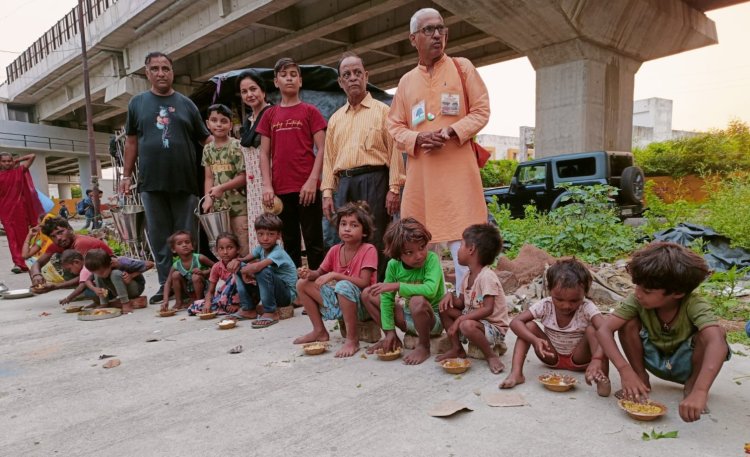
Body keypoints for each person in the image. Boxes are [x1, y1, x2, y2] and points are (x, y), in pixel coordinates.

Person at [386, 8, 490, 292]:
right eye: (428, 30)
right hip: (422, 178)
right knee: (417, 243)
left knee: (464, 241)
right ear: (413, 39)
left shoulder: (462, 67)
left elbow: (481, 111)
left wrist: (451, 131)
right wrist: (417, 140)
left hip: (458, 174)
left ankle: (468, 308)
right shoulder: (407, 82)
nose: (436, 35)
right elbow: (394, 126)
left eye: (440, 29)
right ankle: (425, 313)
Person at [596, 242, 730, 422]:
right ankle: (640, 379)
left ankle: (691, 388)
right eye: (637, 286)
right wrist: (625, 371)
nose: (637, 294)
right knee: (627, 323)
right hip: (654, 357)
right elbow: (604, 330)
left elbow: (717, 342)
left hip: (685, 364)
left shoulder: (694, 304)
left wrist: (701, 391)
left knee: (715, 333)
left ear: (677, 293)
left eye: (647, 291)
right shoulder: (636, 300)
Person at [120, 51, 212, 305]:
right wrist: (126, 176)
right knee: (161, 239)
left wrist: (231, 147)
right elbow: (131, 141)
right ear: (147, 73)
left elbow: (206, 139)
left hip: (185, 181)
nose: (161, 73)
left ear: (172, 72)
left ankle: (195, 282)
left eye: (166, 68)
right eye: (155, 69)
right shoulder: (137, 103)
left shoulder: (186, 104)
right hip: (152, 183)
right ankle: (166, 284)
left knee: (186, 238)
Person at [321, 52, 404, 280]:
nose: (353, 78)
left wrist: (394, 188)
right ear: (340, 82)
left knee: (375, 236)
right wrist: (327, 193)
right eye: (346, 74)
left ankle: (377, 296)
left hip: (375, 180)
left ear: (366, 76)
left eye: (357, 72)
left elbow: (395, 152)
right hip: (345, 184)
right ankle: (351, 293)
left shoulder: (384, 112)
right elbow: (329, 159)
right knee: (347, 236)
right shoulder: (336, 118)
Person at [500, 258, 611, 396]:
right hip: (550, 356)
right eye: (559, 299)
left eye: (574, 300)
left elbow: (606, 330)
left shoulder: (587, 307)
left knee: (594, 330)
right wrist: (535, 340)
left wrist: (597, 359)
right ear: (549, 291)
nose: (566, 305)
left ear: (585, 294)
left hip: (580, 359)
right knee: (528, 326)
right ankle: (516, 374)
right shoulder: (545, 305)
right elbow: (515, 322)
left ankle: (603, 379)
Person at [256, 57, 327, 269]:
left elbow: (323, 148)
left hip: (308, 189)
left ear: (300, 81)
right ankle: (293, 286)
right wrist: (268, 186)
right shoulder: (269, 115)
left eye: (293, 75)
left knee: (314, 240)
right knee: (289, 241)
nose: (289, 79)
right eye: (284, 75)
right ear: (276, 81)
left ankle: (318, 286)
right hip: (281, 189)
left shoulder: (310, 111)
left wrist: (312, 180)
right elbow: (264, 154)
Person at [293, 202, 379, 357]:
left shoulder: (368, 250)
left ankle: (352, 339)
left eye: (354, 225)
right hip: (341, 301)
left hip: (363, 306)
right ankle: (319, 331)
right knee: (302, 284)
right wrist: (307, 273)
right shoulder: (334, 250)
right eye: (343, 224)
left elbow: (364, 283)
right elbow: (318, 273)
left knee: (344, 286)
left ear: (364, 232)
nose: (347, 228)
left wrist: (335, 275)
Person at [361, 217, 445, 365]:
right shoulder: (393, 265)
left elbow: (430, 290)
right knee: (368, 294)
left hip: (432, 321)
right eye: (409, 252)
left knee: (416, 300)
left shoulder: (431, 259)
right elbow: (387, 299)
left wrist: (397, 285)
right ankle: (392, 338)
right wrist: (390, 330)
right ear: (397, 253)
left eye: (422, 247)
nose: (418, 255)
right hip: (407, 319)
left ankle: (424, 346)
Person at [436, 224, 508, 374]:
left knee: (466, 325)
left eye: (461, 244)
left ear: (471, 249)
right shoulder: (467, 276)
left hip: (493, 328)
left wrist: (460, 320)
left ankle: (491, 356)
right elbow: (461, 303)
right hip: (476, 322)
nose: (458, 249)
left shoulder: (487, 276)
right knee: (444, 307)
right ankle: (457, 349)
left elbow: (487, 309)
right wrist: (449, 294)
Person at [201, 103, 249, 256]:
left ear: (230, 124)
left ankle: (249, 276)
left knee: (244, 244)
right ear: (208, 124)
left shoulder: (236, 146)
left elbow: (243, 176)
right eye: (214, 120)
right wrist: (208, 198)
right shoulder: (207, 149)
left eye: (223, 121)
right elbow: (209, 177)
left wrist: (221, 188)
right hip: (219, 209)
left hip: (239, 207)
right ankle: (232, 278)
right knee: (225, 249)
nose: (219, 124)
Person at [235, 214, 298, 329]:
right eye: (261, 234)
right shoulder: (261, 248)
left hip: (286, 294)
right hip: (271, 289)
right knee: (238, 267)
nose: (265, 238)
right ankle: (248, 309)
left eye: (271, 234)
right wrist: (237, 262)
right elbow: (246, 259)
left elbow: (257, 267)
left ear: (278, 235)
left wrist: (245, 271)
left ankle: (270, 311)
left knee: (262, 270)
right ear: (256, 234)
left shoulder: (278, 252)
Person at [237, 70, 273, 252]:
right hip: (253, 188)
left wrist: (269, 185)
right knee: (257, 230)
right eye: (244, 91)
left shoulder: (272, 115)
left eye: (253, 89)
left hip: (270, 182)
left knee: (272, 228)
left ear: (263, 91)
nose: (249, 94)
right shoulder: (248, 122)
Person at [30, 217, 113, 293]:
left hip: (108, 275)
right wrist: (36, 275)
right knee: (60, 259)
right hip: (91, 275)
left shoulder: (80, 243)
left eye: (60, 232)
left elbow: (86, 274)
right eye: (53, 236)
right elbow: (37, 263)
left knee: (69, 260)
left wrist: (55, 286)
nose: (58, 238)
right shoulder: (58, 244)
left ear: (70, 229)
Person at [0, 152, 44, 273]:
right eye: (4, 161)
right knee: (12, 238)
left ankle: (27, 260)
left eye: (9, 160)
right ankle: (17, 263)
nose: (7, 163)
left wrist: (17, 159)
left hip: (20, 210)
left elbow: (32, 156)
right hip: (5, 211)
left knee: (24, 236)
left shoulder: (19, 171)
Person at [188, 232, 243, 316]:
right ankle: (224, 306)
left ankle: (240, 306)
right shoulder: (216, 267)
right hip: (226, 297)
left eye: (230, 248)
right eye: (221, 248)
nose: (225, 252)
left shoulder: (241, 262)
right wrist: (207, 303)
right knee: (194, 307)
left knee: (235, 277)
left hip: (243, 295)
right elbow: (210, 291)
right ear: (216, 250)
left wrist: (238, 303)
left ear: (238, 249)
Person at [84, 248, 154, 313]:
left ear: (111, 264)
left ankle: (126, 303)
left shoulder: (123, 262)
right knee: (97, 276)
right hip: (118, 291)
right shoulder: (100, 268)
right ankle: (104, 303)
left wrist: (131, 276)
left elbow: (150, 264)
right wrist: (94, 289)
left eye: (102, 272)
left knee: (115, 274)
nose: (99, 275)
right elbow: (87, 281)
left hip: (135, 289)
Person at [161, 230, 214, 311]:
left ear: (192, 246)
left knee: (195, 277)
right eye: (179, 243)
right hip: (188, 290)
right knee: (175, 275)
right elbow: (168, 282)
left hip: (204, 290)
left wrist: (204, 272)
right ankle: (179, 302)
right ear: (173, 249)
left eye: (187, 242)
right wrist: (165, 300)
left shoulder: (200, 258)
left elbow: (217, 267)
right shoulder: (176, 265)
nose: (184, 245)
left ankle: (199, 301)